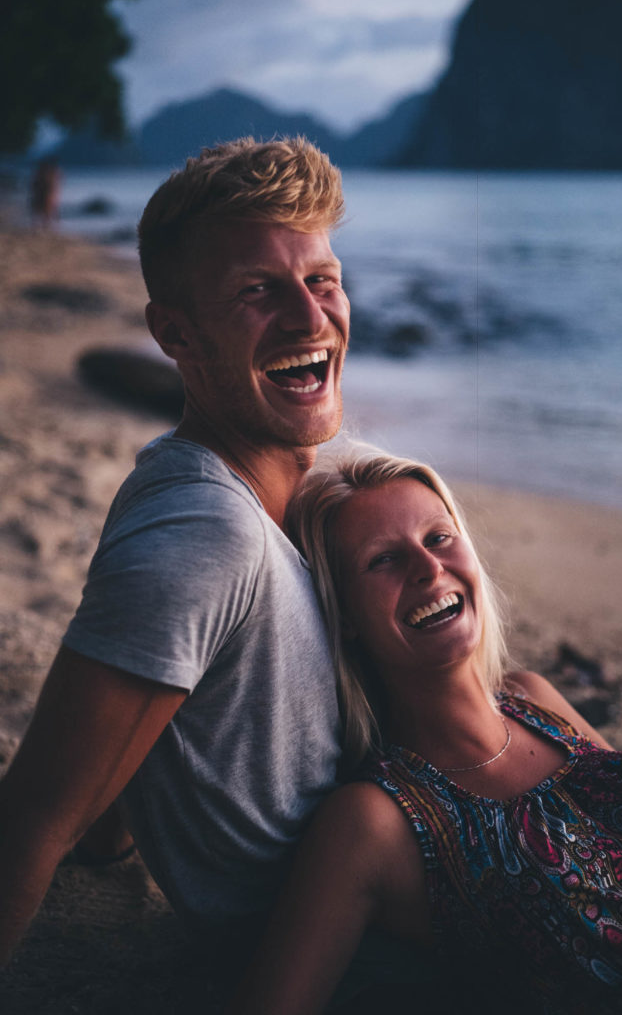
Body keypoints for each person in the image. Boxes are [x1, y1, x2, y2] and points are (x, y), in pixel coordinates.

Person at [0, 137, 350, 966]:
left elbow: (161, 707)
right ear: (175, 335)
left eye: (322, 280)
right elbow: (34, 817)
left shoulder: (281, 504)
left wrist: (108, 841)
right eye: (259, 292)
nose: (311, 318)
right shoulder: (207, 533)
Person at [230, 448, 622, 1014]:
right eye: (383, 560)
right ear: (342, 616)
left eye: (439, 537)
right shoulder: (371, 822)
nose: (427, 568)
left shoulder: (534, 698)